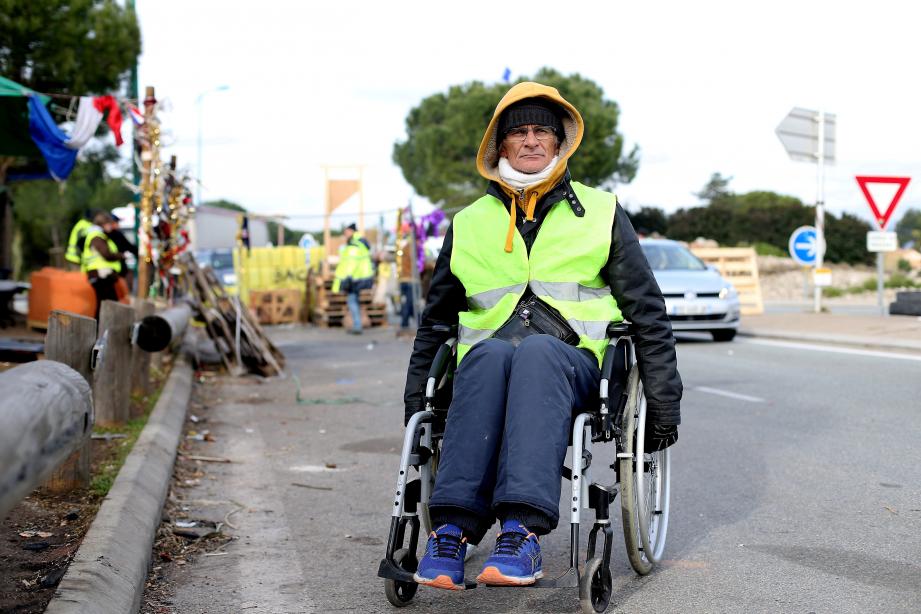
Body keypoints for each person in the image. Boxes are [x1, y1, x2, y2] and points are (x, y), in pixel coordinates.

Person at [402, 82, 682, 590]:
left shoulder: (601, 212)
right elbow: (437, 322)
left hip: (572, 365)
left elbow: (648, 312)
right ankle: (451, 530)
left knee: (535, 353)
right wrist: (415, 396)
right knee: (484, 357)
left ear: (559, 144)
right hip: (488, 362)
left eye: (542, 132)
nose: (531, 141)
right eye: (519, 133)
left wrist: (664, 398)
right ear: (500, 147)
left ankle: (521, 532)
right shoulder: (468, 224)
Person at [83, 211, 126, 319]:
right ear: (102, 224)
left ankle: (102, 330)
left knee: (106, 303)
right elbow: (106, 254)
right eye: (109, 224)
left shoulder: (98, 235)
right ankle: (101, 330)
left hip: (100, 274)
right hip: (100, 275)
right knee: (106, 304)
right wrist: (122, 256)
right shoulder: (97, 237)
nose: (111, 226)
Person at [332, 223, 374, 334]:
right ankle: (357, 324)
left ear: (351, 232)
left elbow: (351, 263)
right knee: (354, 300)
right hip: (359, 277)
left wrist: (347, 277)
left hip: (354, 278)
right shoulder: (360, 243)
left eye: (346, 232)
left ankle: (357, 325)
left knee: (352, 300)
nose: (345, 234)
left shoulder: (354, 245)